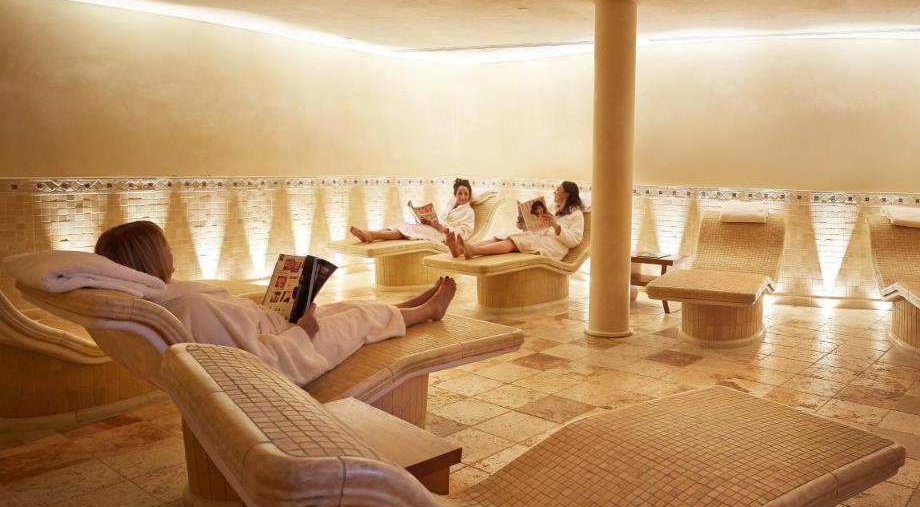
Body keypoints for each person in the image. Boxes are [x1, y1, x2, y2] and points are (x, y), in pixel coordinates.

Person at [94, 221, 457, 385]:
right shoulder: (189, 309)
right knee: (357, 317)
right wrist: (303, 330)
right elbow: (261, 364)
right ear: (150, 258)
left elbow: (236, 333)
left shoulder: (169, 298)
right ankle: (429, 310)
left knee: (348, 305)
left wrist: (276, 307)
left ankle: (409, 306)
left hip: (278, 328)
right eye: (165, 247)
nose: (172, 251)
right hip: (293, 346)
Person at [448, 181, 584, 262]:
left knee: (512, 242)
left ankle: (475, 251)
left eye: (558, 190)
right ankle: (460, 250)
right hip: (539, 239)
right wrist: (525, 224)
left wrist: (556, 226)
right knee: (500, 237)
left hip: (553, 248)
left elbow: (575, 240)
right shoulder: (553, 208)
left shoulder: (576, 215)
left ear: (566, 194)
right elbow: (540, 227)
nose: (555, 192)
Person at [349, 178, 475, 244]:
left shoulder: (469, 212)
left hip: (443, 236)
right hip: (435, 229)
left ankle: (373, 235)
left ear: (469, 195)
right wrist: (426, 220)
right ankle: (370, 233)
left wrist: (445, 229)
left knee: (408, 229)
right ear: (455, 194)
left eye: (466, 194)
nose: (463, 197)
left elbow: (465, 233)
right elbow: (439, 220)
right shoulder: (449, 206)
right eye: (460, 193)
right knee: (402, 224)